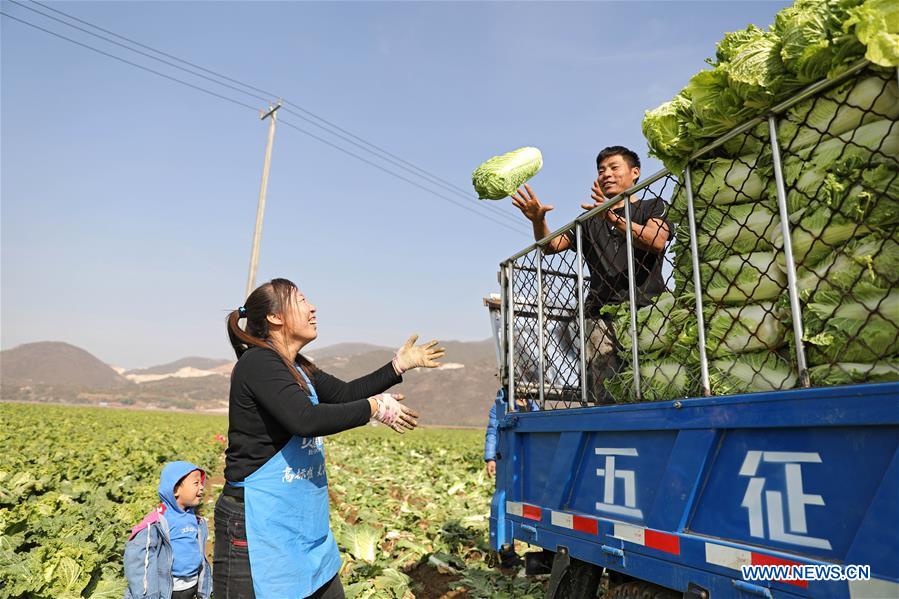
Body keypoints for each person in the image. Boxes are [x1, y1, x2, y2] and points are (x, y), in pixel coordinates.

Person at [214, 278, 444, 599]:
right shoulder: (258, 363)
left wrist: (399, 365)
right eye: (302, 300)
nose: (313, 307)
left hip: (302, 529)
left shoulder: (299, 368)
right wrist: (375, 408)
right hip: (257, 524)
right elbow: (304, 420)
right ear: (276, 317)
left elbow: (345, 394)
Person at [510, 146, 670, 403]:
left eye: (614, 167)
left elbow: (656, 240)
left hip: (647, 307)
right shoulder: (589, 219)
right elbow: (551, 246)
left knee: (654, 382)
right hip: (599, 314)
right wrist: (537, 221)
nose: (605, 174)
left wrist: (613, 217)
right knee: (606, 390)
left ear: (635, 173)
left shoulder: (653, 205)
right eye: (601, 170)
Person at [123, 461, 211, 599]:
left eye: (201, 483)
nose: (201, 487)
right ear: (175, 490)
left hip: (192, 585)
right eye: (196, 483)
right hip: (170, 590)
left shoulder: (194, 518)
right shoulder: (157, 522)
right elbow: (139, 560)